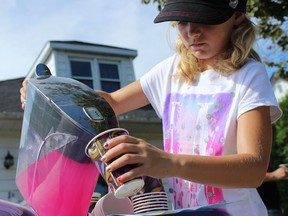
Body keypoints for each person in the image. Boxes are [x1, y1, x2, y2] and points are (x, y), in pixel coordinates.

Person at [20, 0, 282, 215]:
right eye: (182, 21)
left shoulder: (250, 76)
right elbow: (108, 103)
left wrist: (168, 162)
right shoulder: (172, 70)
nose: (192, 32)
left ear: (236, 15)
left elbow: (253, 170)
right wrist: (51, 90)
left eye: (204, 19)